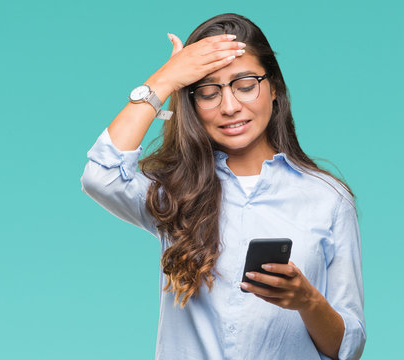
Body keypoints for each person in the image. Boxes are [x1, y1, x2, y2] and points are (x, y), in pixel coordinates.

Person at [80, 13, 365, 360]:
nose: (230, 107)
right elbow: (100, 174)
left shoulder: (328, 200)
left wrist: (306, 301)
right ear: (193, 104)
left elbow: (347, 348)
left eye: (245, 85)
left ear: (273, 87)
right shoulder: (176, 193)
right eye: (209, 92)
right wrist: (165, 79)